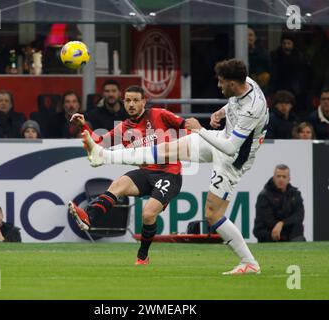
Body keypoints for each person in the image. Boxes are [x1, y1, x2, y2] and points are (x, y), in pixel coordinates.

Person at [80, 59, 268, 275]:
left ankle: (249, 262)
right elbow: (234, 104)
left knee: (212, 214)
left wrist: (201, 130)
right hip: (220, 138)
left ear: (233, 83)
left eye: (222, 82)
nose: (219, 86)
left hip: (233, 157)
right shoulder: (246, 83)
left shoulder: (253, 108)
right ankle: (103, 156)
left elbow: (230, 147)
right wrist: (221, 112)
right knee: (167, 148)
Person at [69, 85, 185, 266]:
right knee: (118, 185)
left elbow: (187, 125)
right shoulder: (124, 127)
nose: (131, 104)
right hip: (146, 172)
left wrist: (204, 134)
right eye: (128, 100)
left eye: (135, 100)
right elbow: (98, 143)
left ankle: (142, 256)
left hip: (169, 174)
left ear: (144, 102)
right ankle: (89, 217)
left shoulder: (159, 115)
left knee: (147, 215)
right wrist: (84, 125)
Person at [253, 164, 306, 242]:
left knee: (298, 226)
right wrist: (279, 226)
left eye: (284, 177)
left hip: (287, 231)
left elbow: (299, 215)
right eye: (278, 176)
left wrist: (282, 223)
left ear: (289, 179)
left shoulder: (295, 194)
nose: (281, 179)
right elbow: (267, 219)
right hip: (269, 233)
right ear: (274, 178)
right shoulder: (264, 195)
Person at [269, 33, 310, 116]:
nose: (286, 46)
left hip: (296, 93)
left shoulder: (300, 58)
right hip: (279, 90)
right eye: (284, 43)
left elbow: (303, 77)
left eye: (288, 43)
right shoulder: (275, 57)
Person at [248, 27, 270, 93]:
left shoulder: (263, 52)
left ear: (255, 37)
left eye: (250, 35)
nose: (248, 38)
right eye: (245, 35)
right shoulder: (235, 51)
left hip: (260, 87)